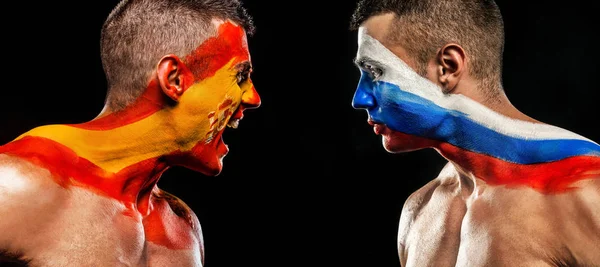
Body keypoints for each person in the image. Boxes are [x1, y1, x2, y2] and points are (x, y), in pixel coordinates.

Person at [0, 0, 260, 266]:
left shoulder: (184, 229)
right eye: (240, 77)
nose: (254, 98)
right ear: (174, 80)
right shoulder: (19, 182)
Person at [349, 0, 600, 266]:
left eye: (375, 71)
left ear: (448, 66)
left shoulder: (587, 188)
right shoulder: (420, 208)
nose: (359, 98)